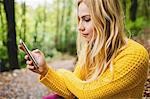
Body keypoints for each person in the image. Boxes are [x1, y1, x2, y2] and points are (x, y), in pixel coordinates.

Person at [19, 0, 149, 98]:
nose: (80, 27)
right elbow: (71, 92)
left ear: (107, 19)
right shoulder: (91, 50)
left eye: (86, 19)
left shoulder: (135, 55)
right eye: (79, 20)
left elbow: (87, 93)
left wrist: (63, 73)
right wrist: (45, 70)